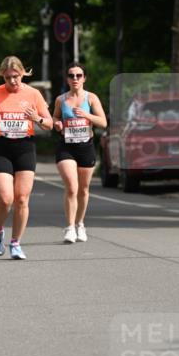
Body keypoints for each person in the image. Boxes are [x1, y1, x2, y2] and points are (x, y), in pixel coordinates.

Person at [0, 56, 53, 260]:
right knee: (6, 198)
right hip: (1, 147)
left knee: (22, 198)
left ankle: (16, 242)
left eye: (16, 76)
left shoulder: (33, 94)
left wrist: (37, 119)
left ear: (23, 74)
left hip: (25, 147)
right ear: (2, 76)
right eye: (8, 78)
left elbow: (49, 124)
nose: (13, 81)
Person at [52, 63, 107, 243]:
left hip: (86, 146)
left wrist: (86, 115)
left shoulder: (91, 98)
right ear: (67, 79)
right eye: (71, 75)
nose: (75, 78)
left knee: (83, 189)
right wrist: (57, 123)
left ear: (84, 78)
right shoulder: (61, 99)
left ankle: (80, 224)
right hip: (66, 146)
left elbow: (103, 122)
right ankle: (69, 227)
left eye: (78, 75)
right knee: (72, 187)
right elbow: (55, 117)